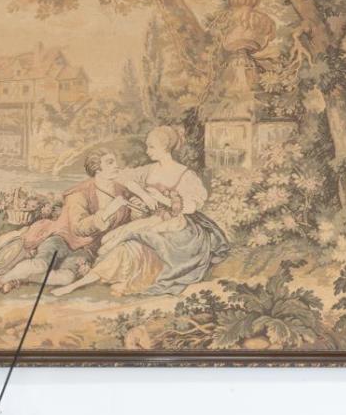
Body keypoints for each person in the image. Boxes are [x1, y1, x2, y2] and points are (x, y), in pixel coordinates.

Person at [54, 127, 229, 297]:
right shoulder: (150, 169)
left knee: (125, 243)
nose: (147, 151)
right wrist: (144, 195)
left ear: (165, 147)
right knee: (109, 240)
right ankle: (88, 280)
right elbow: (123, 177)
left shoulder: (185, 174)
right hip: (154, 219)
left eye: (151, 147)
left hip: (177, 226)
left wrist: (162, 199)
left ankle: (81, 284)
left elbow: (191, 207)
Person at [0, 149, 136, 296]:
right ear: (97, 169)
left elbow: (128, 218)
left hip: (86, 249)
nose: (116, 166)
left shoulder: (122, 191)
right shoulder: (79, 193)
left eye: (115, 162)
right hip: (63, 238)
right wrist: (109, 211)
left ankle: (20, 278)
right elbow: (79, 228)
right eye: (110, 162)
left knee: (66, 278)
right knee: (41, 265)